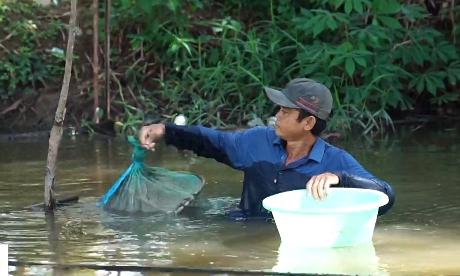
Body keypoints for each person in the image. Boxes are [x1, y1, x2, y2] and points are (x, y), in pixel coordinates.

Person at [138, 78, 396, 220]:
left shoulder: (335, 161)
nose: (277, 116)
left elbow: (384, 196)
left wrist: (341, 178)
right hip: (241, 227)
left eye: (285, 111)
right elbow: (211, 141)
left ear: (308, 122)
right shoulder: (258, 140)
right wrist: (165, 130)